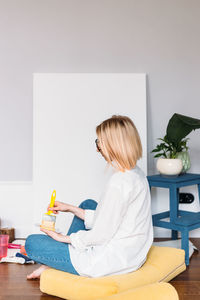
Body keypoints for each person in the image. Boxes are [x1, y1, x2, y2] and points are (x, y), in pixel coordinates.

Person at [25, 115, 153, 279]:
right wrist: (70, 208)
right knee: (88, 204)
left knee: (32, 243)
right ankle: (65, 256)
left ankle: (57, 263)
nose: (97, 148)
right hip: (132, 253)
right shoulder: (136, 173)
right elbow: (113, 220)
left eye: (99, 143)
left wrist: (64, 238)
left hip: (111, 261)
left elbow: (101, 234)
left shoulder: (119, 182)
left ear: (113, 145)